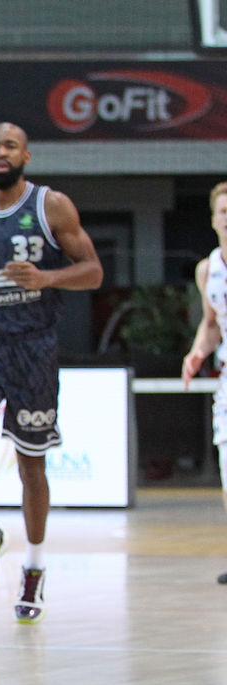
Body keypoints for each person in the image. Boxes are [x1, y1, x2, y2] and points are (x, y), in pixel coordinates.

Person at [0, 122, 102, 623]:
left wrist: (48, 277)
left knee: (32, 466)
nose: (1, 152)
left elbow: (93, 270)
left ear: (26, 155)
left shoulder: (52, 206)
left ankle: (34, 567)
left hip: (34, 347)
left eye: (10, 145)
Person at [180, 180, 227, 586]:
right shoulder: (207, 269)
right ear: (214, 219)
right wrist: (197, 353)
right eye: (224, 212)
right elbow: (211, 325)